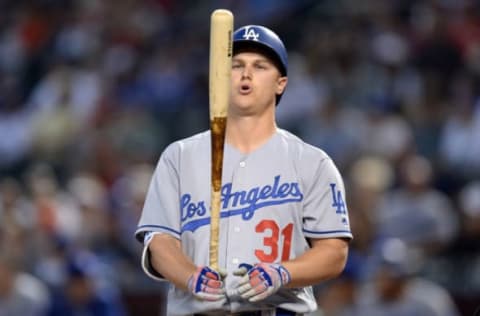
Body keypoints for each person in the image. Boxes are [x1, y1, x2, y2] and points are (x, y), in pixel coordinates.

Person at [135, 24, 352, 316]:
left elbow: (334, 251)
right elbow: (159, 242)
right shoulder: (180, 157)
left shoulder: (311, 162)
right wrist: (189, 275)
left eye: (260, 66)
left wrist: (283, 273)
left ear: (281, 83)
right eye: (235, 65)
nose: (246, 74)